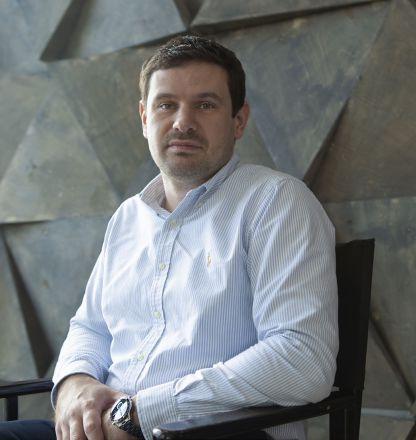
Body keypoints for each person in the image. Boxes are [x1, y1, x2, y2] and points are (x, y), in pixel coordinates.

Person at [0, 35, 338, 440]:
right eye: (166, 105)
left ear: (239, 120)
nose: (182, 122)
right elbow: (90, 327)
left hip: (214, 433)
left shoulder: (275, 203)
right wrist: (75, 382)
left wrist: (139, 413)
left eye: (205, 105)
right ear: (145, 118)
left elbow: (302, 359)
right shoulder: (128, 218)